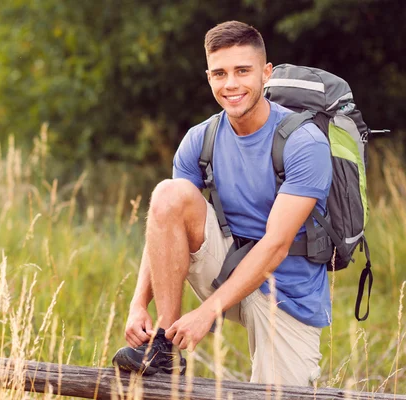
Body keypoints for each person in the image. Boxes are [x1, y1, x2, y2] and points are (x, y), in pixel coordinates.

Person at [112, 20, 332, 387]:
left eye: (242, 71)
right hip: (224, 266)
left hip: (286, 293)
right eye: (220, 73)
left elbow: (276, 246)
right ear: (209, 76)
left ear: (266, 74)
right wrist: (138, 303)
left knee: (277, 397)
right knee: (169, 193)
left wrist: (207, 313)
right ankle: (164, 349)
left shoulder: (303, 143)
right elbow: (165, 225)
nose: (230, 84)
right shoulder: (201, 139)